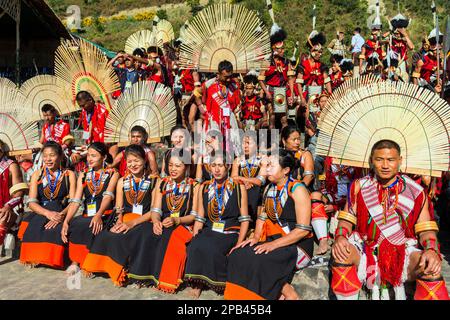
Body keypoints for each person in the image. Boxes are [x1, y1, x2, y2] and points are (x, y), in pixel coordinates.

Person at [330, 139, 449, 300]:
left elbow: (426, 231)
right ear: (372, 160)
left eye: (391, 160)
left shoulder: (416, 192)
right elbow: (346, 220)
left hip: (403, 253)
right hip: (366, 250)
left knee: (431, 267)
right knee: (340, 254)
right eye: (379, 159)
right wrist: (341, 237)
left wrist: (431, 250)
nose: (385, 165)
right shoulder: (359, 187)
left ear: (400, 160)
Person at [224, 149, 313, 300]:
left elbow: (303, 230)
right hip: (273, 240)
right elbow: (262, 217)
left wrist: (273, 245)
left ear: (286, 170)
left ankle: (288, 293)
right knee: (238, 254)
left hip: (296, 245)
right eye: (267, 165)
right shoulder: (268, 189)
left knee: (260, 260)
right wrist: (256, 237)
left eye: (272, 165)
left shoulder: (297, 189)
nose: (267, 169)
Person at [113, 148, 199, 292]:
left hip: (183, 225)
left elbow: (194, 215)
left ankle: (165, 280)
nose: (173, 169)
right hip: (163, 222)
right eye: (170, 165)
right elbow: (156, 210)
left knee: (171, 239)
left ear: (187, 167)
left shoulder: (194, 185)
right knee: (145, 232)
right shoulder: (163, 183)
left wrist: (177, 221)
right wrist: (156, 221)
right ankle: (143, 276)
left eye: (178, 166)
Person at [81, 144, 159, 286]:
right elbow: (119, 208)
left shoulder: (154, 181)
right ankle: (99, 267)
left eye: (137, 160)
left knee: (130, 236)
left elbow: (154, 210)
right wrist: (119, 222)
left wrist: (132, 223)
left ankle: (130, 272)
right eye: (129, 161)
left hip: (143, 220)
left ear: (144, 160)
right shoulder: (122, 181)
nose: (133, 165)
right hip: (125, 218)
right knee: (107, 235)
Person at [184, 153, 250, 298]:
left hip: (229, 231)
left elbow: (245, 219)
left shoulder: (238, 188)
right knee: (195, 246)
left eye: (220, 165)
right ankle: (198, 282)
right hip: (209, 229)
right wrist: (195, 235)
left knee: (212, 247)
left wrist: (239, 244)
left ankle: (218, 282)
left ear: (227, 166)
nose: (217, 170)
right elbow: (200, 218)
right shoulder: (205, 187)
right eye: (213, 166)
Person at [61, 142, 119, 270]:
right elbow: (76, 200)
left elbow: (108, 196)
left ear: (104, 157)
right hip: (87, 213)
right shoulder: (83, 174)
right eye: (88, 155)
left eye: (93, 156)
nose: (89, 159)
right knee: (75, 223)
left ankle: (88, 263)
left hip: (105, 213)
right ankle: (76, 262)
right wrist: (66, 220)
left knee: (92, 225)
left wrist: (98, 215)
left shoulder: (112, 174)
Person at [19, 141, 76, 268]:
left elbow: (73, 201)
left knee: (55, 230)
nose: (48, 159)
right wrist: (47, 213)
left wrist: (61, 215)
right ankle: (35, 257)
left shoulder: (69, 175)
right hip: (42, 210)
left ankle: (51, 259)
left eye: (52, 155)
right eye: (45, 156)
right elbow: (32, 202)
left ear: (60, 156)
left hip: (61, 210)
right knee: (34, 227)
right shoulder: (37, 175)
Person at [281, 126, 328, 254]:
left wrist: (297, 189)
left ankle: (323, 240)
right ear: (284, 141)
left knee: (315, 197)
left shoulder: (305, 154)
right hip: (283, 190)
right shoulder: (279, 155)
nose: (297, 142)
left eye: (298, 139)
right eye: (294, 139)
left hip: (305, 190)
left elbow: (309, 176)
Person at [194, 60, 241, 155]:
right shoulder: (208, 85)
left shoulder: (234, 86)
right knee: (213, 149)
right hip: (213, 121)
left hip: (229, 121)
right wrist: (202, 109)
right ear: (218, 74)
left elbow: (236, 103)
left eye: (230, 76)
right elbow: (196, 94)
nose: (228, 79)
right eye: (226, 77)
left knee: (231, 148)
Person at [258, 24, 296, 129]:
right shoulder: (267, 62)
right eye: (281, 49)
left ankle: (285, 142)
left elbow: (290, 79)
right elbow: (260, 80)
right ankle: (273, 142)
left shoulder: (286, 61)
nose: (283, 51)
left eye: (283, 49)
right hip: (270, 91)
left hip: (282, 91)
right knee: (272, 117)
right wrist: (266, 92)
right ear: (274, 49)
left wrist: (291, 94)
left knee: (284, 119)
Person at [231, 134, 268, 222]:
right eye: (243, 143)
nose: (245, 146)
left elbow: (260, 181)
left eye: (248, 143)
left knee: (255, 190)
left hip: (257, 192)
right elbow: (233, 178)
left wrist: (242, 179)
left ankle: (252, 222)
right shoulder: (237, 160)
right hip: (241, 188)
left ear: (257, 145)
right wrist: (245, 183)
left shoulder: (263, 158)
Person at [0, 140, 27, 246]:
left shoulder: (11, 166)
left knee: (3, 218)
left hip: (9, 206)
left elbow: (19, 192)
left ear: (2, 151)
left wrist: (8, 206)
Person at [297, 31, 332, 104]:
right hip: (306, 95)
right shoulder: (302, 65)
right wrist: (301, 97)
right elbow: (299, 83)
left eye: (320, 52)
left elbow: (327, 82)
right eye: (317, 51)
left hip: (320, 97)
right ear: (311, 51)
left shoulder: (323, 66)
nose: (319, 54)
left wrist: (330, 96)